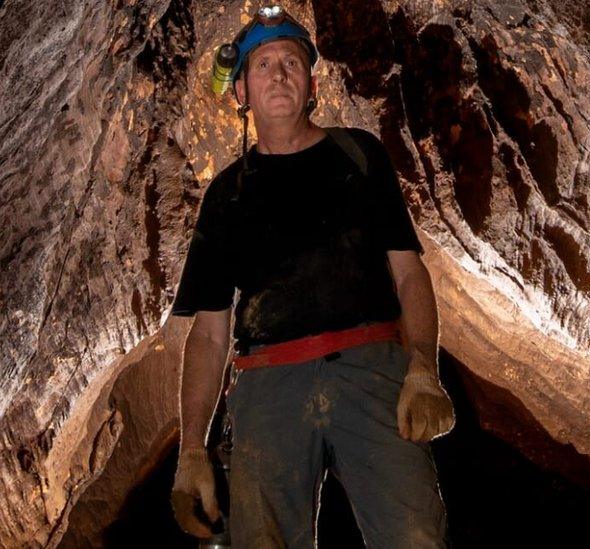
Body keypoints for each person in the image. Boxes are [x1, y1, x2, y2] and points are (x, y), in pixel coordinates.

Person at [168, 5, 455, 547]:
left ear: (312, 83)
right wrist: (191, 452)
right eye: (263, 65)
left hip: (372, 372)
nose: (278, 74)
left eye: (291, 63)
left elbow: (409, 275)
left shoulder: (359, 155)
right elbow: (208, 334)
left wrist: (422, 368)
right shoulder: (226, 197)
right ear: (241, 94)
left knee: (415, 535)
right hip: (268, 386)